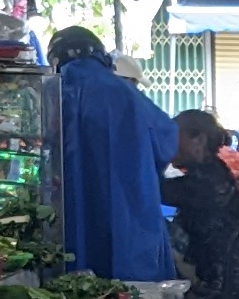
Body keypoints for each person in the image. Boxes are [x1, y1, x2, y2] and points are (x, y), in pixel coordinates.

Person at [46, 25, 177, 281]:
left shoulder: (51, 93)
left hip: (68, 215)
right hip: (131, 213)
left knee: (77, 288)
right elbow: (167, 141)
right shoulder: (127, 94)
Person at [165, 107, 239, 299]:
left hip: (222, 288)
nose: (169, 145)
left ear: (199, 140)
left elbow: (151, 187)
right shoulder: (215, 172)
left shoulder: (207, 182)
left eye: (174, 137)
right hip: (238, 282)